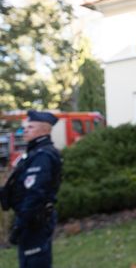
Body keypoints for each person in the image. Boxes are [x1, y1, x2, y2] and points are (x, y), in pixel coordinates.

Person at [0, 110, 62, 268]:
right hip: (29, 219)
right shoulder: (33, 153)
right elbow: (19, 186)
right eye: (25, 127)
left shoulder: (43, 156)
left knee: (34, 262)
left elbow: (35, 193)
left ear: (44, 130)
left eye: (30, 127)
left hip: (34, 221)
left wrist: (21, 223)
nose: (25, 130)